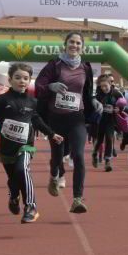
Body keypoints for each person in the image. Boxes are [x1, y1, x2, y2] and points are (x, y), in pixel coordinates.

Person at [0, 63, 64, 223]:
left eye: (25, 78)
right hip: (6, 147)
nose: (22, 81)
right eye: (17, 77)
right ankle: (13, 196)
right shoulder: (2, 100)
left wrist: (52, 134)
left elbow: (37, 120)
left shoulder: (32, 102)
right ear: (10, 80)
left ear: (29, 80)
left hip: (26, 145)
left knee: (22, 169)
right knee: (13, 179)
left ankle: (31, 206)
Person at [35, 31, 100, 213]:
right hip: (55, 118)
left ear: (82, 47)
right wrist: (50, 86)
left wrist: (93, 101)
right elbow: (39, 86)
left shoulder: (86, 67)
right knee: (57, 156)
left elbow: (86, 92)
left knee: (78, 156)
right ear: (65, 44)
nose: (75, 46)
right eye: (72, 42)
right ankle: (54, 176)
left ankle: (77, 199)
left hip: (76, 118)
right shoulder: (54, 65)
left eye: (78, 43)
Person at [92, 74, 126, 172]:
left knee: (109, 138)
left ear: (110, 84)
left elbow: (123, 104)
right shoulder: (98, 94)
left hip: (111, 120)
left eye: (105, 86)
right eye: (102, 86)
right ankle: (94, 154)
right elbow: (93, 104)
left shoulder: (116, 93)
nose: (104, 88)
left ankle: (107, 160)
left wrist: (119, 109)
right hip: (100, 120)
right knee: (99, 140)